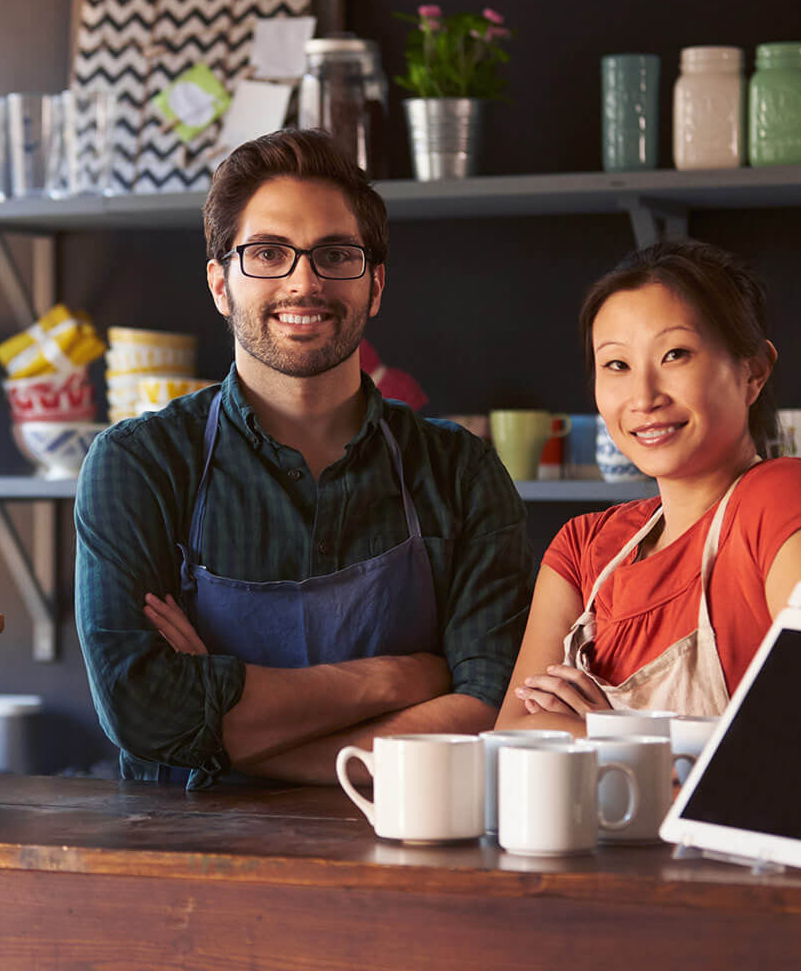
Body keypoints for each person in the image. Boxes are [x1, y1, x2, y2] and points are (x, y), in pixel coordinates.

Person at [74, 129, 535, 789]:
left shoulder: (460, 473)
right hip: (185, 871)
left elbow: (488, 713)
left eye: (335, 255)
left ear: (374, 285)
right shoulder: (139, 465)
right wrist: (400, 678)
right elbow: (141, 709)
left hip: (405, 865)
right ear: (219, 284)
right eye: (267, 253)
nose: (304, 281)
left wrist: (218, 735)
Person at [494, 239, 801, 810]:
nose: (644, 396)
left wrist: (612, 735)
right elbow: (507, 746)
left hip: (744, 889)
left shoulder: (781, 500)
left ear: (753, 372)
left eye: (675, 354)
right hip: (585, 888)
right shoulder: (583, 548)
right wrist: (683, 757)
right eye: (617, 365)